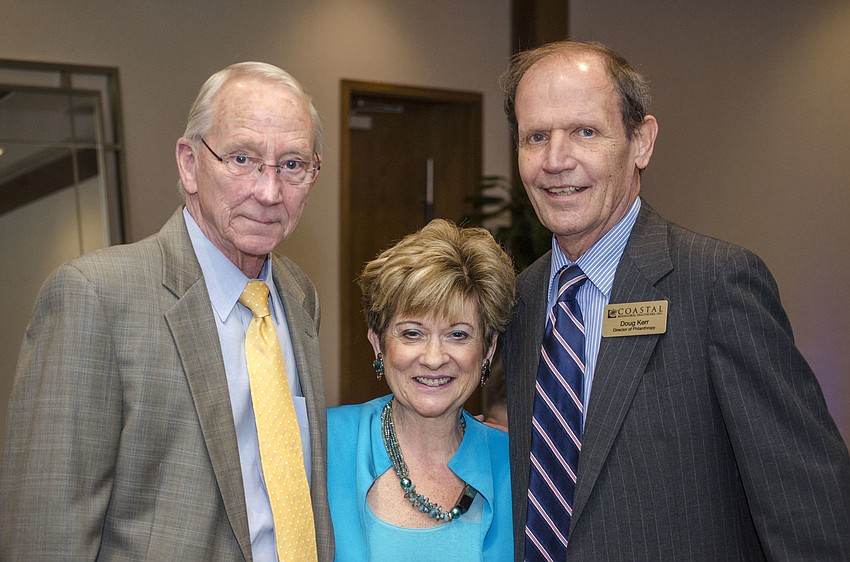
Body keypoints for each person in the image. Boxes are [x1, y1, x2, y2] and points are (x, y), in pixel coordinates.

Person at [500, 40, 850, 561]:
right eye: (536, 137)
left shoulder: (716, 284)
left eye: (585, 132)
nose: (556, 160)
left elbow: (809, 511)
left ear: (641, 142)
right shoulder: (521, 301)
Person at [0, 62, 334, 561]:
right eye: (242, 159)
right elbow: (46, 536)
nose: (269, 192)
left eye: (291, 165)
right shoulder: (95, 298)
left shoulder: (297, 295)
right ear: (188, 163)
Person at [327, 219, 516, 561]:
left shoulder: (516, 464)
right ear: (378, 344)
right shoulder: (322, 444)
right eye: (412, 333)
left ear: (487, 350)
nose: (433, 359)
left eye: (458, 334)